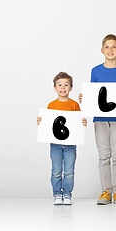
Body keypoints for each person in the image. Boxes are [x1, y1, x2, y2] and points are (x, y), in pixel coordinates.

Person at [80, 34, 116, 205]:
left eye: (114, 47)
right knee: (104, 155)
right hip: (100, 119)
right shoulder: (95, 71)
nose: (110, 50)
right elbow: (93, 96)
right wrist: (85, 98)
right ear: (102, 50)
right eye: (107, 47)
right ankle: (105, 192)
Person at [37, 72, 87, 205]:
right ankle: (57, 194)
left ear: (71, 88)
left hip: (71, 144)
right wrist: (41, 121)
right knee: (56, 171)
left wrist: (83, 122)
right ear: (54, 87)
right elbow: (48, 123)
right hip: (55, 144)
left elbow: (78, 121)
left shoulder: (74, 105)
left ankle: (67, 193)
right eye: (59, 85)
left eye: (66, 85)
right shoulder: (51, 105)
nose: (63, 87)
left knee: (69, 171)